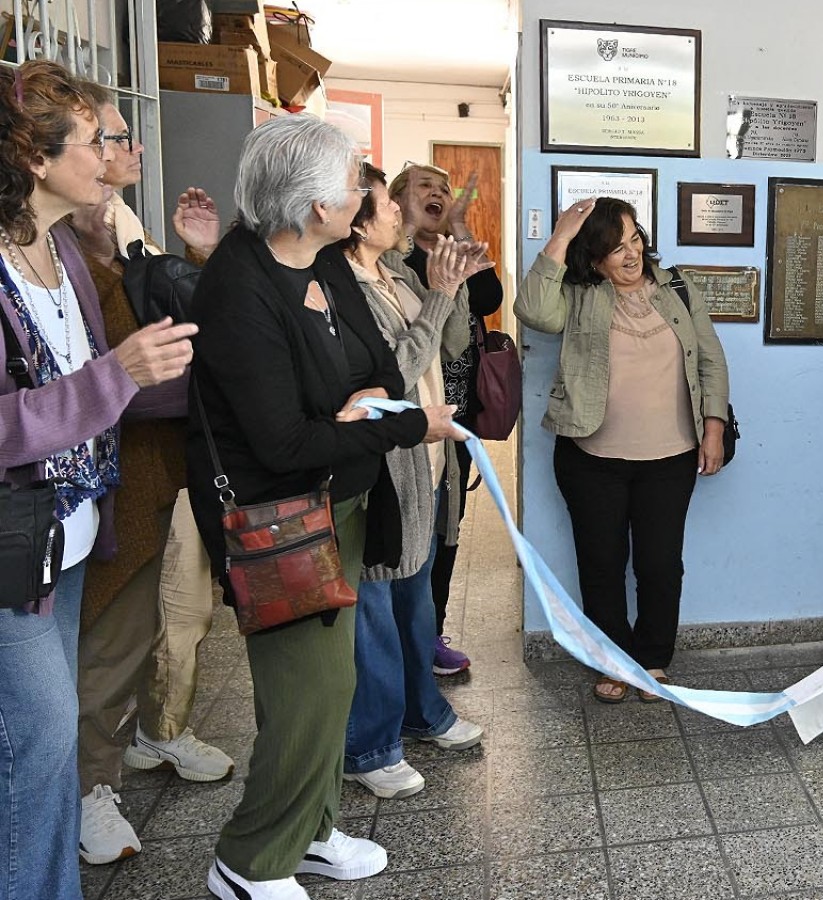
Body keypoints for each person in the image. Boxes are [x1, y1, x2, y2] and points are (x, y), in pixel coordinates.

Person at [187, 115, 458, 900]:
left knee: (328, 689)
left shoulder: (323, 262)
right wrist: (410, 423)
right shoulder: (239, 287)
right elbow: (280, 444)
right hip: (278, 523)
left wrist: (369, 400)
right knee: (304, 696)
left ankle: (308, 830)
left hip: (338, 502)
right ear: (314, 207)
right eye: (353, 185)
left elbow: (375, 362)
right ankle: (249, 859)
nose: (366, 194)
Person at [0, 60, 196, 899]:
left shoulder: (60, 250)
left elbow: (105, 384)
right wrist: (120, 373)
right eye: (93, 139)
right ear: (36, 159)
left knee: (41, 752)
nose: (111, 153)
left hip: (70, 534)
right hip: (14, 551)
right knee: (38, 749)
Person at [68, 81, 235, 867]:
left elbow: (179, 315)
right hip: (107, 471)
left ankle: (148, 739)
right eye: (110, 136)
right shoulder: (53, 243)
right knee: (106, 637)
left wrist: (198, 253)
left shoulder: (120, 222)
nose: (129, 149)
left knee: (163, 621)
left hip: (162, 463)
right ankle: (87, 789)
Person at [516, 196, 729, 704]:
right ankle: (613, 661)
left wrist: (714, 429)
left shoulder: (678, 288)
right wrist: (561, 234)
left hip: (671, 456)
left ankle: (653, 660)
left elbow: (712, 361)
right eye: (615, 248)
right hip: (591, 457)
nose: (631, 254)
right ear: (594, 259)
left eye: (635, 239)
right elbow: (532, 311)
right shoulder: (579, 293)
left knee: (660, 563)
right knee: (601, 562)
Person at [341, 163, 485, 799]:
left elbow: (444, 348)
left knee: (415, 597)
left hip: (424, 460)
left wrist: (445, 289)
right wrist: (437, 300)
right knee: (374, 605)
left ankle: (423, 713)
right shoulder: (339, 286)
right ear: (355, 217)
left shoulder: (395, 272)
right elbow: (389, 377)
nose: (400, 214)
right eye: (385, 204)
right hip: (382, 467)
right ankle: (370, 746)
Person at [387, 162, 502, 676]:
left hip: (455, 414)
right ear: (395, 202)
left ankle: (429, 631)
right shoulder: (389, 259)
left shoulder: (450, 248)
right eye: (424, 187)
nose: (437, 194)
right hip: (408, 416)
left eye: (443, 189)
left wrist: (459, 229)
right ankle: (400, 636)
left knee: (446, 523)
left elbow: (491, 299)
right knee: (406, 526)